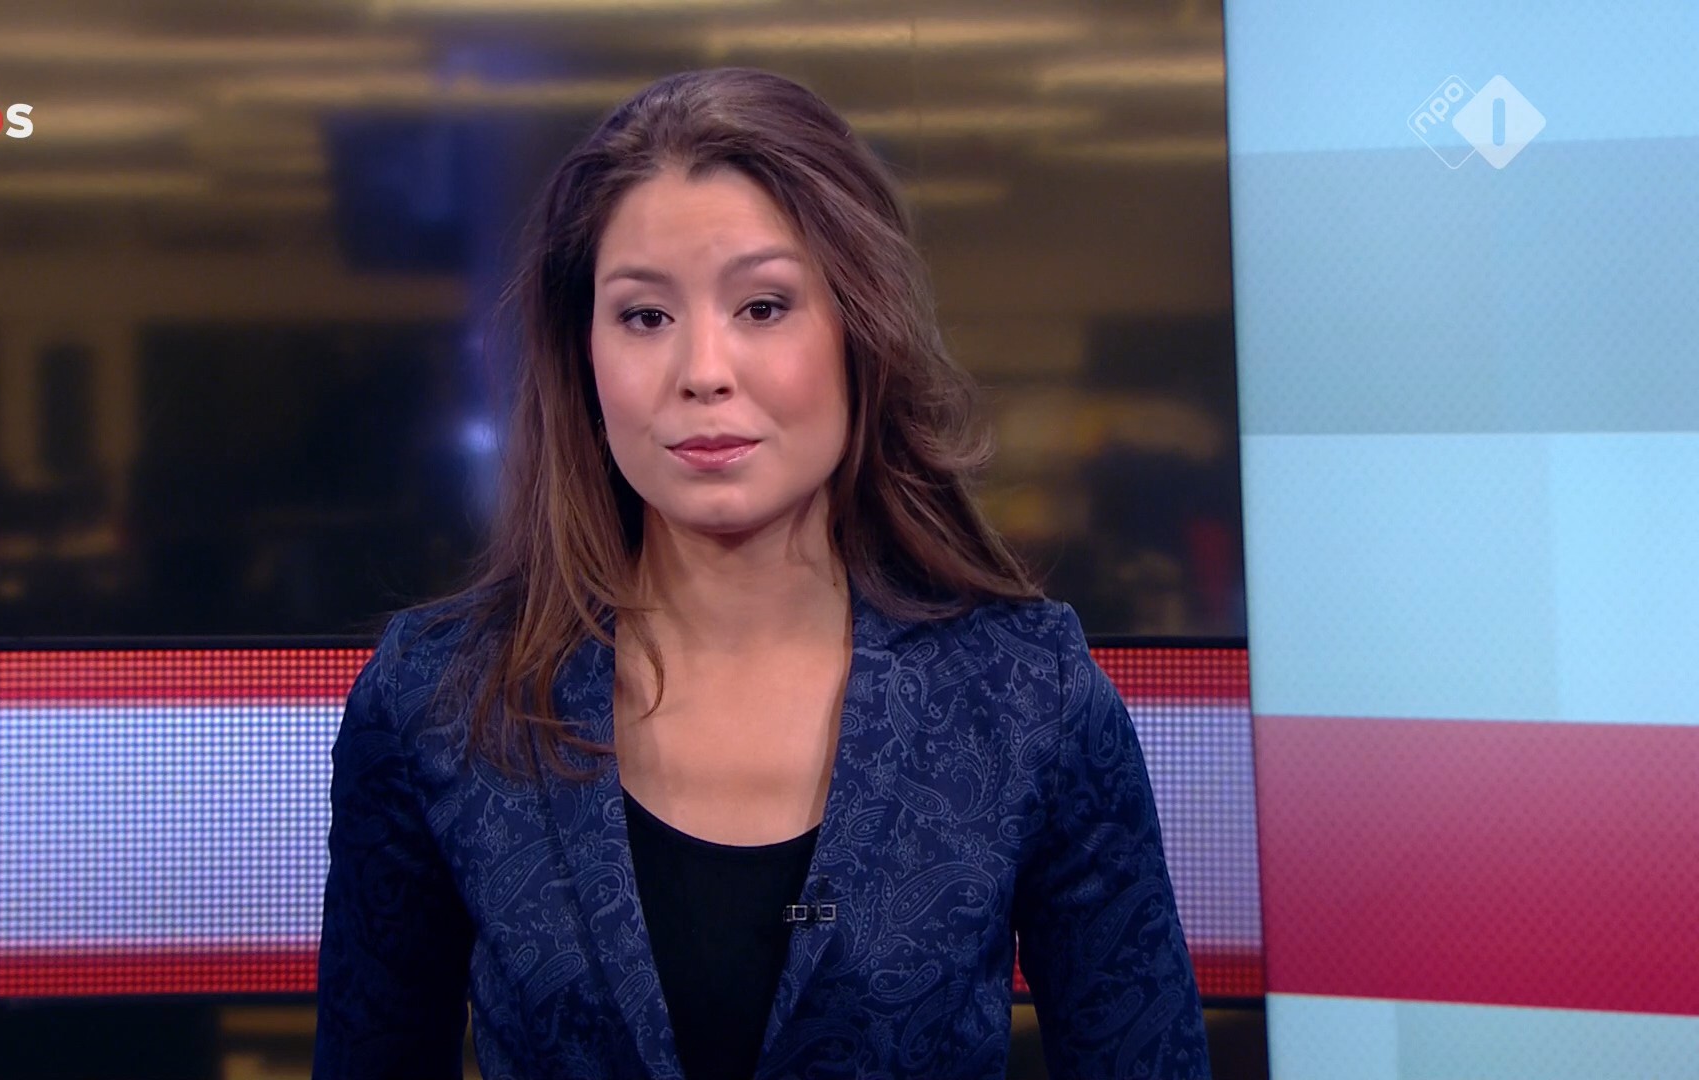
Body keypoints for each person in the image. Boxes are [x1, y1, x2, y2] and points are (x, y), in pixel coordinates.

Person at [313, 67, 1210, 1080]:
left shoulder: (1024, 694)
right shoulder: (441, 699)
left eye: (764, 306)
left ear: (859, 329)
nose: (704, 370)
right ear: (583, 352)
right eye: (645, 317)